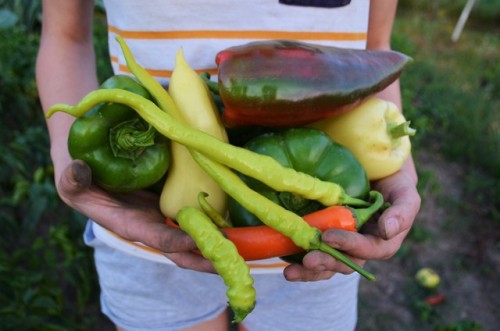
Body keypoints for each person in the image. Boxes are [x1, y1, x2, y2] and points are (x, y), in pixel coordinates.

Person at [36, 1, 421, 330]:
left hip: (330, 231)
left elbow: (376, 53)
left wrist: (394, 161)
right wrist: (68, 157)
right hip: (143, 226)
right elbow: (65, 36)